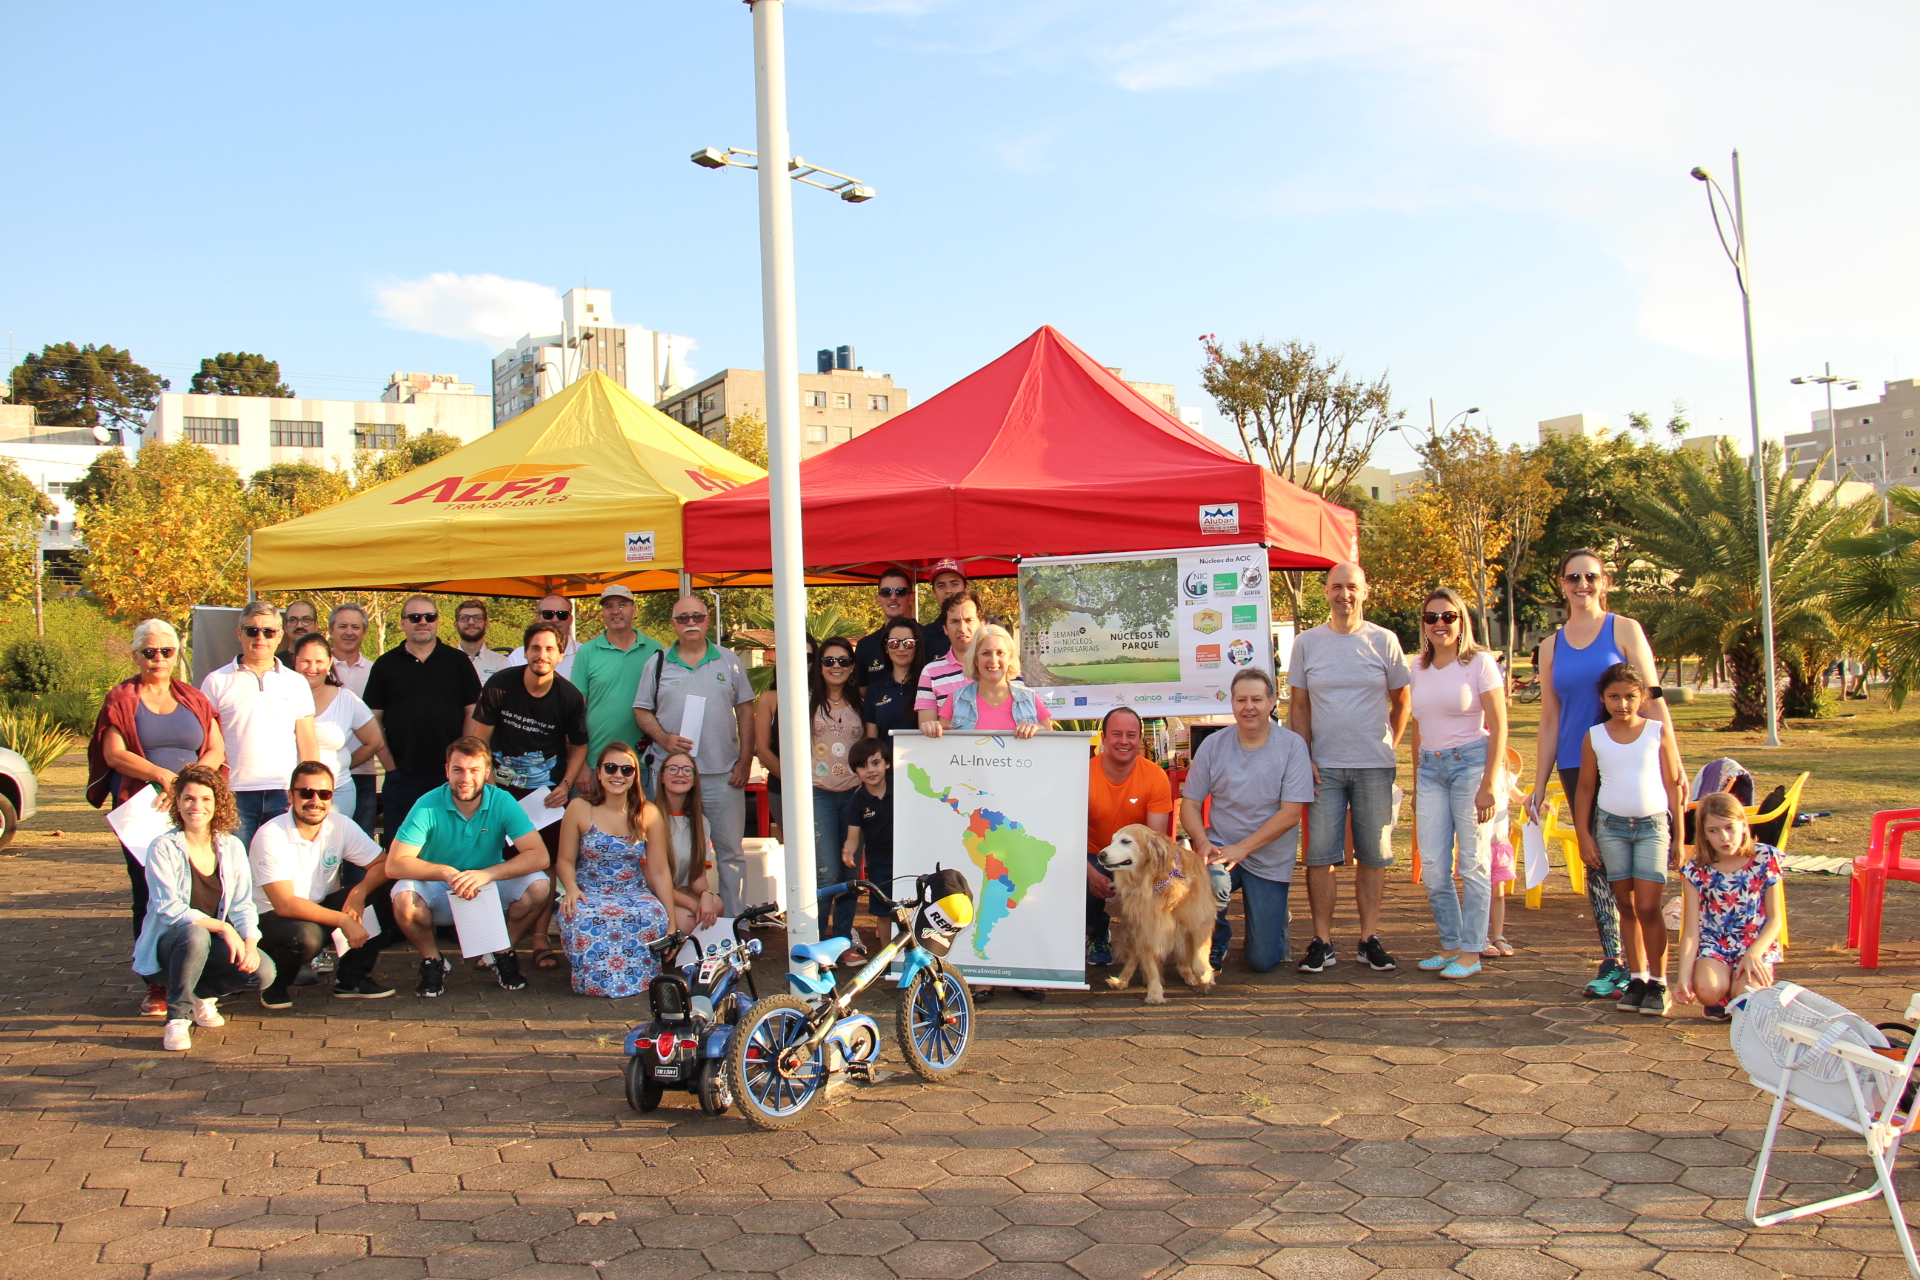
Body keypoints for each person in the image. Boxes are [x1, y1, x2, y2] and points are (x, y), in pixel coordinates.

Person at [1527, 548, 1679, 1001]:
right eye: (1573, 576)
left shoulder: (1624, 629)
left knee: (1636, 867)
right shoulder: (1551, 645)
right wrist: (1540, 781)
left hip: (1631, 761)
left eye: (1591, 576)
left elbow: (1652, 699)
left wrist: (1675, 762)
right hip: (1580, 765)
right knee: (1598, 865)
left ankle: (1651, 971)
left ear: (1605, 581)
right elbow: (1551, 717)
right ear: (1561, 583)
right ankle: (1615, 962)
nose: (1582, 584)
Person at [89, 619, 228, 1016]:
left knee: (198, 891)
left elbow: (215, 747)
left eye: (166, 651)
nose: (158, 659)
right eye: (149, 652)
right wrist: (160, 776)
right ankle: (156, 983)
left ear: (176, 654)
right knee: (150, 897)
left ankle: (197, 977)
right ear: (136, 655)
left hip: (194, 810)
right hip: (143, 811)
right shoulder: (122, 698)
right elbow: (114, 753)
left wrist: (191, 783)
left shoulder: (193, 698)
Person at [1288, 562, 1411, 975]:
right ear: (1326, 592)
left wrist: (1389, 745)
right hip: (1324, 769)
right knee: (1320, 857)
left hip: (1374, 767)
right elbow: (1300, 706)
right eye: (1337, 587)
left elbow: (1402, 701)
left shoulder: (1385, 640)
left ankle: (1368, 939)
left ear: (1365, 592)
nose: (1345, 594)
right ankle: (1321, 941)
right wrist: (1303, 757)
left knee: (1373, 856)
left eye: (1352, 587)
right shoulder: (1307, 643)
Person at [386, 737, 553, 997]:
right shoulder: (427, 803)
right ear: (447, 771)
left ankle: (501, 952)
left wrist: (486, 874)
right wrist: (446, 872)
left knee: (539, 885)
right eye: (458, 769)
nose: (466, 778)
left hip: (487, 885)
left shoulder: (502, 800)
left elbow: (539, 856)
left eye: (474, 770)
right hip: (441, 888)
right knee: (403, 897)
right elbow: (394, 864)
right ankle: (433, 960)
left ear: (487, 773)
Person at [132, 764, 276, 1052]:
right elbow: (169, 908)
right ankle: (177, 1019)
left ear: (217, 803)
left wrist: (248, 941)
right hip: (171, 947)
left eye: (205, 799)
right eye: (189, 798)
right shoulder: (162, 847)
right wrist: (223, 928)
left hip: (210, 944)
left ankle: (200, 995)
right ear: (178, 803)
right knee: (194, 935)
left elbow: (243, 904)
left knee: (263, 973)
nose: (196, 806)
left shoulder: (232, 846)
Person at [470, 620, 588, 971]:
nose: (542, 654)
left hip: (546, 798)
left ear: (561, 652)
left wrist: (565, 785)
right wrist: (485, 777)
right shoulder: (500, 685)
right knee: (494, 859)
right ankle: (490, 938)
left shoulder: (569, 697)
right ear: (525, 651)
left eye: (549, 648)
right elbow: (480, 738)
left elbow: (580, 748)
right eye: (535, 648)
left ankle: (539, 939)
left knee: (547, 862)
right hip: (500, 791)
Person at [1182, 668, 1316, 974]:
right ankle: (1217, 939)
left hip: (1268, 857)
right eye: (1241, 699)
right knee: (1212, 880)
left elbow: (1291, 814)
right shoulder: (1214, 745)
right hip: (1220, 848)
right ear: (1231, 703)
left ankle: (1276, 916)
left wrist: (1243, 848)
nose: (1248, 706)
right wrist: (1202, 843)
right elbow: (1189, 804)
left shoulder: (1293, 746)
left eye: (1256, 699)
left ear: (1271, 702)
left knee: (1262, 961)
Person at [1574, 662, 1685, 1018]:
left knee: (1650, 907)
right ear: (1603, 698)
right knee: (1626, 906)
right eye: (1614, 696)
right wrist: (1584, 835)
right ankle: (1636, 978)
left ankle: (1659, 982)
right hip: (1611, 828)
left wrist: (1680, 837)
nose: (1622, 704)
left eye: (1630, 696)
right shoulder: (1595, 736)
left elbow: (1673, 786)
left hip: (1652, 827)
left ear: (1643, 697)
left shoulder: (1657, 731)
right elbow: (1586, 790)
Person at [1406, 588, 1506, 981]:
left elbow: (1499, 725)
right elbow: (1417, 726)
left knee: (1474, 862)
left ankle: (1472, 949)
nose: (1440, 624)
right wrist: (1416, 781)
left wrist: (1489, 784)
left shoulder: (1479, 663)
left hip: (1471, 766)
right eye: (1432, 617)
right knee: (1432, 864)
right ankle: (1450, 944)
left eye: (1449, 616)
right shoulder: (1418, 666)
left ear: (1462, 620)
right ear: (1423, 625)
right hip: (1430, 769)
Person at [633, 596, 756, 913]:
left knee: (730, 852)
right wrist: (664, 737)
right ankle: (671, 921)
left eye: (697, 617)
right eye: (683, 617)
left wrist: (744, 760)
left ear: (707, 621)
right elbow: (641, 711)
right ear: (673, 624)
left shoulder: (728, 660)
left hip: (722, 775)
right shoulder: (657, 662)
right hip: (670, 776)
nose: (691, 622)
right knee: (664, 850)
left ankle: (733, 923)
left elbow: (745, 711)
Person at [252, 760, 396, 1006]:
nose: (315, 801)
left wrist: (359, 893)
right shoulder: (270, 835)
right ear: (291, 795)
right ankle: (274, 984)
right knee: (305, 937)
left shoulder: (339, 825)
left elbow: (383, 865)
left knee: (390, 890)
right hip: (271, 919)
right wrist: (343, 920)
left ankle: (351, 979)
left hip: (316, 910)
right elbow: (285, 904)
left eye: (324, 793)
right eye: (306, 793)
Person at [554, 741, 677, 998]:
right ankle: (594, 980)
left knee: (653, 914)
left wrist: (672, 921)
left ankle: (639, 981)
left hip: (632, 891)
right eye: (611, 768)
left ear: (635, 776)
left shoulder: (648, 813)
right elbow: (564, 860)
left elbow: (660, 871)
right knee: (580, 916)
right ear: (598, 772)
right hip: (589, 890)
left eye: (626, 770)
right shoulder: (579, 808)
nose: (618, 775)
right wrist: (572, 889)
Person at [199, 601, 320, 849]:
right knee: (236, 870)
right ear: (239, 634)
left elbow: (306, 739)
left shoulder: (296, 682)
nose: (260, 637)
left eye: (268, 631)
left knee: (279, 867)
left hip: (283, 791)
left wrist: (308, 789)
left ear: (279, 636)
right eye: (252, 630)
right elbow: (208, 742)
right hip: (234, 793)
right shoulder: (216, 681)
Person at [364, 595, 482, 847]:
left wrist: (462, 760)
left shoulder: (458, 662)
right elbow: (373, 717)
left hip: (450, 775)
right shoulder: (385, 665)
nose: (423, 622)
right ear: (403, 623)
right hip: (403, 776)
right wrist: (390, 765)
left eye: (429, 617)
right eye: (415, 617)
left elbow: (472, 711)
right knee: (402, 848)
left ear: (438, 622)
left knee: (452, 845)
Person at [1674, 792, 1786, 1022]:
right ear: (1703, 834)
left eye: (1729, 827)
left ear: (1743, 825)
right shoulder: (1695, 869)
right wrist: (1683, 978)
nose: (1724, 837)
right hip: (1715, 943)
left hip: (1754, 941)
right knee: (1707, 991)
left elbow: (1776, 919)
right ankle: (1722, 996)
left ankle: (1739, 990)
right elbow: (1691, 932)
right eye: (1713, 830)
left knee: (1749, 997)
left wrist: (1754, 953)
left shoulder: (1765, 858)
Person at [1085, 707, 1173, 968]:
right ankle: (1096, 935)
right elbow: (1068, 835)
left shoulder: (1155, 776)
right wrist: (1090, 873)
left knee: (1162, 877)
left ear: (1141, 740)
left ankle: (1146, 941)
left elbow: (1154, 844)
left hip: (1136, 858)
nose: (1124, 741)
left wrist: (1132, 876)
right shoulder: (1083, 773)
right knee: (1073, 878)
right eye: (1116, 734)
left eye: (1131, 735)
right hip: (1093, 854)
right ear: (1103, 737)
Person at [570, 585, 662, 794]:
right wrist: (581, 764)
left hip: (644, 763)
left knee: (642, 825)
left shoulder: (655, 650)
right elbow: (575, 712)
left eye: (622, 605)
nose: (615, 611)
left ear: (634, 610)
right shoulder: (587, 652)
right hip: (596, 763)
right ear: (602, 613)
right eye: (609, 606)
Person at [808, 637, 867, 957]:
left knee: (850, 872)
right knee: (826, 872)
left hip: (855, 797)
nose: (836, 667)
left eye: (843, 661)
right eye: (829, 661)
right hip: (820, 795)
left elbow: (870, 749)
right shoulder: (807, 703)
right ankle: (816, 944)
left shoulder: (861, 701)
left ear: (852, 666)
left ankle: (842, 942)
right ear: (819, 666)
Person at [290, 633, 389, 823]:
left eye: (319, 661)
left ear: (329, 663)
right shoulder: (280, 697)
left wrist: (343, 764)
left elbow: (374, 741)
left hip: (337, 792)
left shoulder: (346, 699)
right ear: (294, 661)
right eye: (305, 661)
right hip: (287, 793)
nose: (312, 668)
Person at [753, 636, 817, 843]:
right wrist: (794, 782)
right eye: (794, 656)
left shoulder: (828, 697)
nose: (800, 662)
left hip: (825, 789)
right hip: (783, 788)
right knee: (795, 849)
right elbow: (762, 749)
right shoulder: (770, 698)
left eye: (807, 657)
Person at [936, 624, 1051, 739]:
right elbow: (942, 748)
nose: (993, 660)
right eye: (986, 653)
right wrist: (932, 728)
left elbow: (1052, 748)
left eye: (1000, 653)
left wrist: (1041, 731)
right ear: (975, 659)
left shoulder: (1030, 699)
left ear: (1010, 658)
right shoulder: (956, 700)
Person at [654, 750, 724, 929]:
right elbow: (652, 881)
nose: (680, 774)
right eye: (672, 769)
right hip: (653, 893)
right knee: (689, 920)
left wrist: (707, 894)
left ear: (694, 780)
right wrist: (693, 904)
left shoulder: (700, 822)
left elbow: (697, 877)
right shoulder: (650, 817)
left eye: (687, 770)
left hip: (681, 891)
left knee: (716, 905)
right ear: (661, 777)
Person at [327, 604, 378, 835]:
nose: (349, 632)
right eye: (343, 626)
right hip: (321, 777)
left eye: (355, 627)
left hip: (362, 774)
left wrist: (347, 762)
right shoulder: (317, 671)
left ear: (364, 632)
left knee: (360, 847)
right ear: (331, 630)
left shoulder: (376, 671)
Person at [842, 738, 895, 946]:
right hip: (879, 862)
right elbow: (853, 837)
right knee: (884, 912)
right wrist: (848, 851)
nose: (871, 770)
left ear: (887, 764)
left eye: (876, 763)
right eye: (863, 766)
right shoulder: (858, 801)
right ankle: (887, 957)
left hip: (907, 856)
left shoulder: (901, 788)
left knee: (910, 908)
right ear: (856, 771)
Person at [914, 591, 983, 731]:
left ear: (982, 624)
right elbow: (927, 728)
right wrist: (930, 727)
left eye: (969, 620)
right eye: (954, 621)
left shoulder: (1002, 667)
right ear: (945, 628)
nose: (962, 628)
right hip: (951, 752)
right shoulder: (930, 672)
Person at [1483, 766, 1526, 958]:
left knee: (1498, 893)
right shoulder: (1472, 771)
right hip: (1478, 842)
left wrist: (1535, 802)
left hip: (1499, 843)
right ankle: (1479, 936)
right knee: (1478, 891)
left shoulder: (1505, 774)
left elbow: (1520, 797)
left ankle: (1498, 936)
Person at [862, 616, 925, 742]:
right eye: (893, 643)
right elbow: (871, 742)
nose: (901, 648)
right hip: (886, 761)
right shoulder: (874, 690)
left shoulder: (928, 686)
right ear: (886, 647)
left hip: (921, 761)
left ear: (917, 646)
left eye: (908, 643)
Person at [854, 567, 918, 686]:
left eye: (900, 591)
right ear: (878, 599)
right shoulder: (865, 646)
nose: (893, 597)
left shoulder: (929, 638)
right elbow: (861, 692)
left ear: (911, 598)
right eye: (886, 592)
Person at [505, 593, 580, 680]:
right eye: (548, 614)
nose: (555, 620)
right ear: (538, 618)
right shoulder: (518, 656)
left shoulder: (585, 654)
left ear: (571, 619)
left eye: (562, 614)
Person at [920, 559, 970, 663]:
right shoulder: (924, 636)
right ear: (934, 592)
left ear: (966, 588)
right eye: (941, 586)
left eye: (954, 584)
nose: (948, 590)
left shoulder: (988, 628)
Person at [454, 599, 510, 684]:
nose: (471, 622)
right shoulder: (444, 663)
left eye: (477, 618)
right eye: (464, 618)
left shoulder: (502, 663)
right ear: (456, 625)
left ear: (486, 624)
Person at [275, 600, 319, 667]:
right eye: (293, 620)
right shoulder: (276, 664)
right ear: (286, 627)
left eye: (306, 620)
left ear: (316, 625)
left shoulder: (325, 661)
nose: (299, 625)